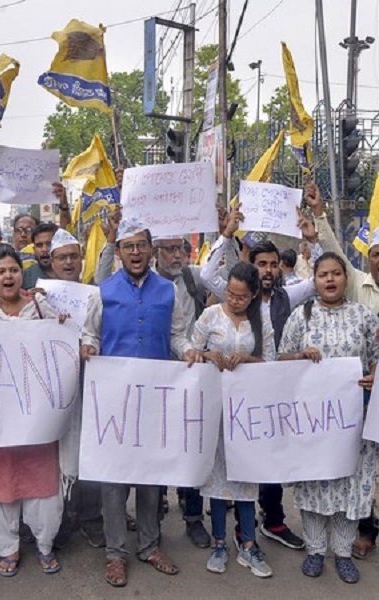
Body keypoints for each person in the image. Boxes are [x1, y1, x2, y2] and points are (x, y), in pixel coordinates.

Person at [304, 182, 379, 558]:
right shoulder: (357, 286)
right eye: (378, 256)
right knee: (361, 464)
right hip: (360, 389)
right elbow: (334, 257)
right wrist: (320, 215)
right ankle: (365, 531)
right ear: (370, 260)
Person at [81, 216, 203, 588]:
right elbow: (91, 333)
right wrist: (88, 347)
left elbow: (176, 336)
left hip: (154, 398)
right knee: (115, 481)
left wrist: (189, 351)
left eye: (142, 245)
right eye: (128, 246)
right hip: (115, 400)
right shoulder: (102, 291)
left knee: (152, 476)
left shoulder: (169, 291)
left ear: (152, 250)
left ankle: (150, 545)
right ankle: (116, 553)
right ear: (118, 252)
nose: (136, 252)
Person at [200, 212, 312, 552]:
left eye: (272, 264)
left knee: (267, 462)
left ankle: (269, 523)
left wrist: (315, 238)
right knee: (227, 466)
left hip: (268, 392)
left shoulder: (285, 298)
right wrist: (226, 235)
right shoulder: (230, 299)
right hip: (228, 397)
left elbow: (323, 279)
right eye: (261, 263)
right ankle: (227, 530)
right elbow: (207, 275)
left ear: (279, 267)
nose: (267, 270)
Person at [277, 252, 379, 585]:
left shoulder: (364, 316)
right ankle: (315, 550)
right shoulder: (300, 316)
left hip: (353, 420)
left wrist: (374, 376)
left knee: (348, 483)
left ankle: (343, 552)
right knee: (314, 482)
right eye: (323, 275)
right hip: (312, 422)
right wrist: (298, 356)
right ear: (315, 280)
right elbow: (280, 359)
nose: (331, 280)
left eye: (336, 273)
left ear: (345, 278)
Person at [0, 243, 65, 577]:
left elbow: (63, 345)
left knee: (43, 481)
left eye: (13, 269)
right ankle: (8, 547)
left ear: (22, 272)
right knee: (0, 481)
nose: (8, 276)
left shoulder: (39, 307)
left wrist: (64, 326)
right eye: (0, 271)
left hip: (37, 418)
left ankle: (44, 544)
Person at [192, 262, 272, 578]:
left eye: (241, 296)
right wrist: (208, 355)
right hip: (214, 411)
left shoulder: (261, 322)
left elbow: (273, 362)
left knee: (246, 479)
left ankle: (249, 545)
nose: (234, 300)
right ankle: (220, 543)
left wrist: (249, 360)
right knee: (218, 481)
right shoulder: (210, 317)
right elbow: (189, 351)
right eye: (230, 293)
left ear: (253, 296)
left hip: (247, 415)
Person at [47, 229, 105, 550]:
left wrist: (88, 345)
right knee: (56, 454)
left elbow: (98, 332)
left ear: (82, 259)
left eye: (73, 255)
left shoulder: (95, 294)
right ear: (51, 262)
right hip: (52, 388)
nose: (68, 262)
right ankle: (61, 518)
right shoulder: (41, 297)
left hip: (90, 382)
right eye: (62, 257)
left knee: (90, 451)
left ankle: (91, 517)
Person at [22, 222, 58, 289]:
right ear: (34, 249)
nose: (44, 249)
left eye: (49, 244)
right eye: (39, 245)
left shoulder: (70, 272)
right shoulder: (26, 277)